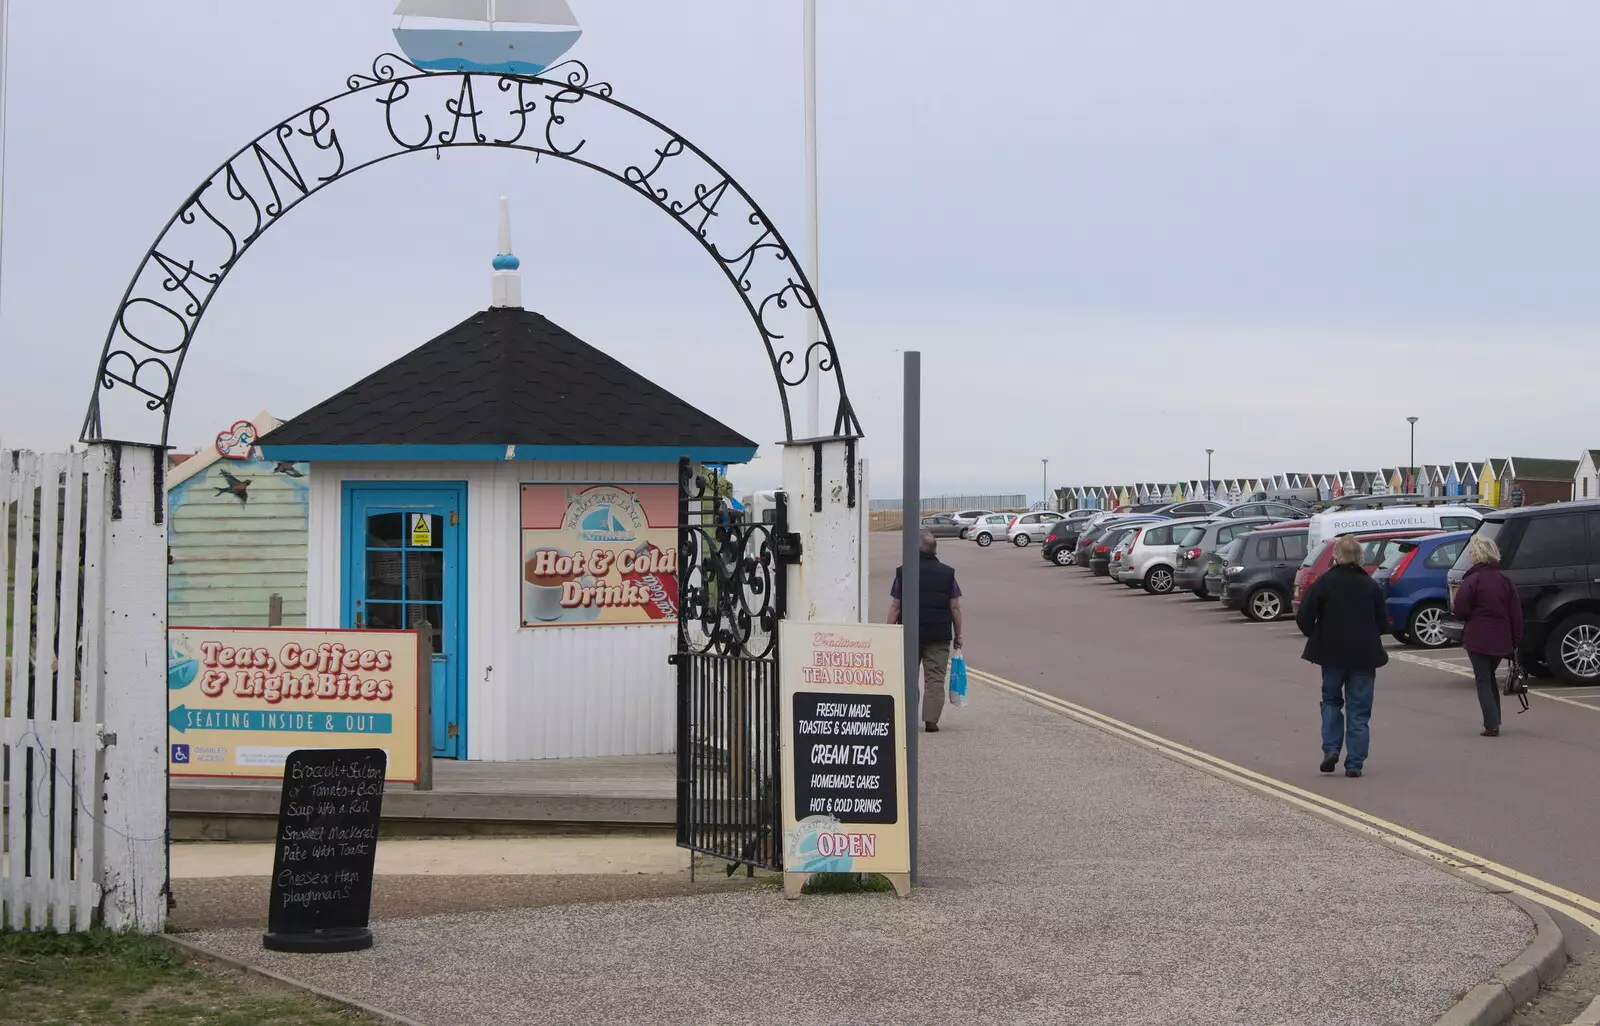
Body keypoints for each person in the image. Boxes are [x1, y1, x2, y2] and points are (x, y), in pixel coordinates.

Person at [1295, 535, 1388, 777]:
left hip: (1332, 654)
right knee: (1359, 710)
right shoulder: (1370, 586)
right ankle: (1355, 764)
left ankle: (1331, 749)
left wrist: (1317, 636)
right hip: (1364, 656)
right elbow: (1383, 623)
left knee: (1331, 702)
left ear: (1336, 557)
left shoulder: (1325, 583)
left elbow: (1304, 616)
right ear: (1360, 558)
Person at [887, 531, 963, 733]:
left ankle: (908, 720)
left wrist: (889, 632)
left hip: (911, 634)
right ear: (935, 549)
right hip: (939, 634)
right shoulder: (948, 573)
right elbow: (955, 607)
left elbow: (896, 606)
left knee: (908, 677)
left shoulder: (904, 572)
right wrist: (959, 635)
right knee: (935, 678)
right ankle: (931, 721)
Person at [1452, 534, 1523, 737]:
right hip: (1501, 638)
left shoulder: (1472, 580)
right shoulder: (1505, 581)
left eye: (1473, 551)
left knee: (1483, 679)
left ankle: (1492, 724)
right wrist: (1515, 639)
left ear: (1480, 554)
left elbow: (1460, 610)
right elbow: (1516, 613)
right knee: (1489, 676)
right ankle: (1495, 718)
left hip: (1478, 638)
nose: (1470, 554)